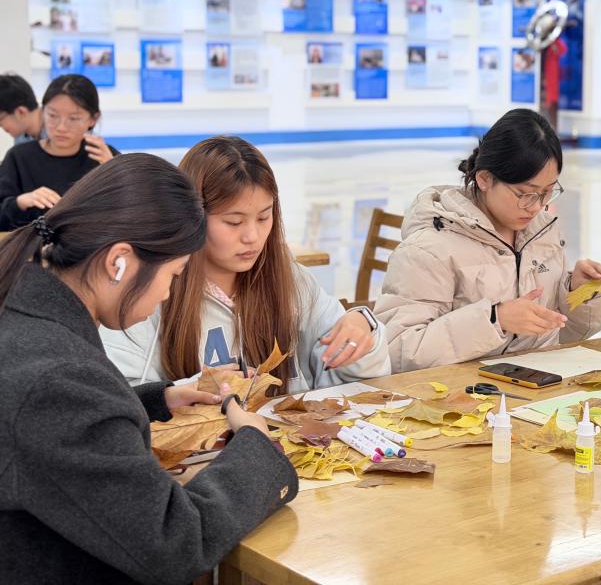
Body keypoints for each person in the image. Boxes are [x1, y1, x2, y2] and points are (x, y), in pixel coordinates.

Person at [0, 153, 296, 584]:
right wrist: (255, 446)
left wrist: (156, 400)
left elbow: (46, 429)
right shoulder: (56, 383)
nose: (167, 294)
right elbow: (175, 543)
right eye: (174, 274)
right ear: (118, 262)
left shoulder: (22, 309)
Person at [102, 136, 390, 390]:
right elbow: (122, 399)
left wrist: (364, 331)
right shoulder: (151, 291)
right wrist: (190, 392)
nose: (252, 236)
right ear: (193, 215)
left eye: (264, 217)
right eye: (234, 222)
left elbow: (347, 385)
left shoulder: (291, 279)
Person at [375, 108, 601, 372]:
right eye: (524, 193)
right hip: (464, 393)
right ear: (485, 179)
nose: (536, 206)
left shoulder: (543, 233)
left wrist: (579, 294)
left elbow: (564, 338)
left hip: (538, 386)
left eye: (547, 192)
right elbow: (397, 352)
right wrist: (494, 319)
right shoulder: (429, 248)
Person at [0, 74, 117, 231]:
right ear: (42, 112)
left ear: (93, 119)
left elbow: (137, 212)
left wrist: (115, 172)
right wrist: (20, 202)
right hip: (32, 246)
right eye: (52, 115)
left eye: (73, 118)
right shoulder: (18, 157)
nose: (61, 127)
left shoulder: (105, 157)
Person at [0, 72, 46, 145]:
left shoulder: (58, 130)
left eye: (0, 119)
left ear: (20, 112)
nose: (0, 125)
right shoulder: (20, 135)